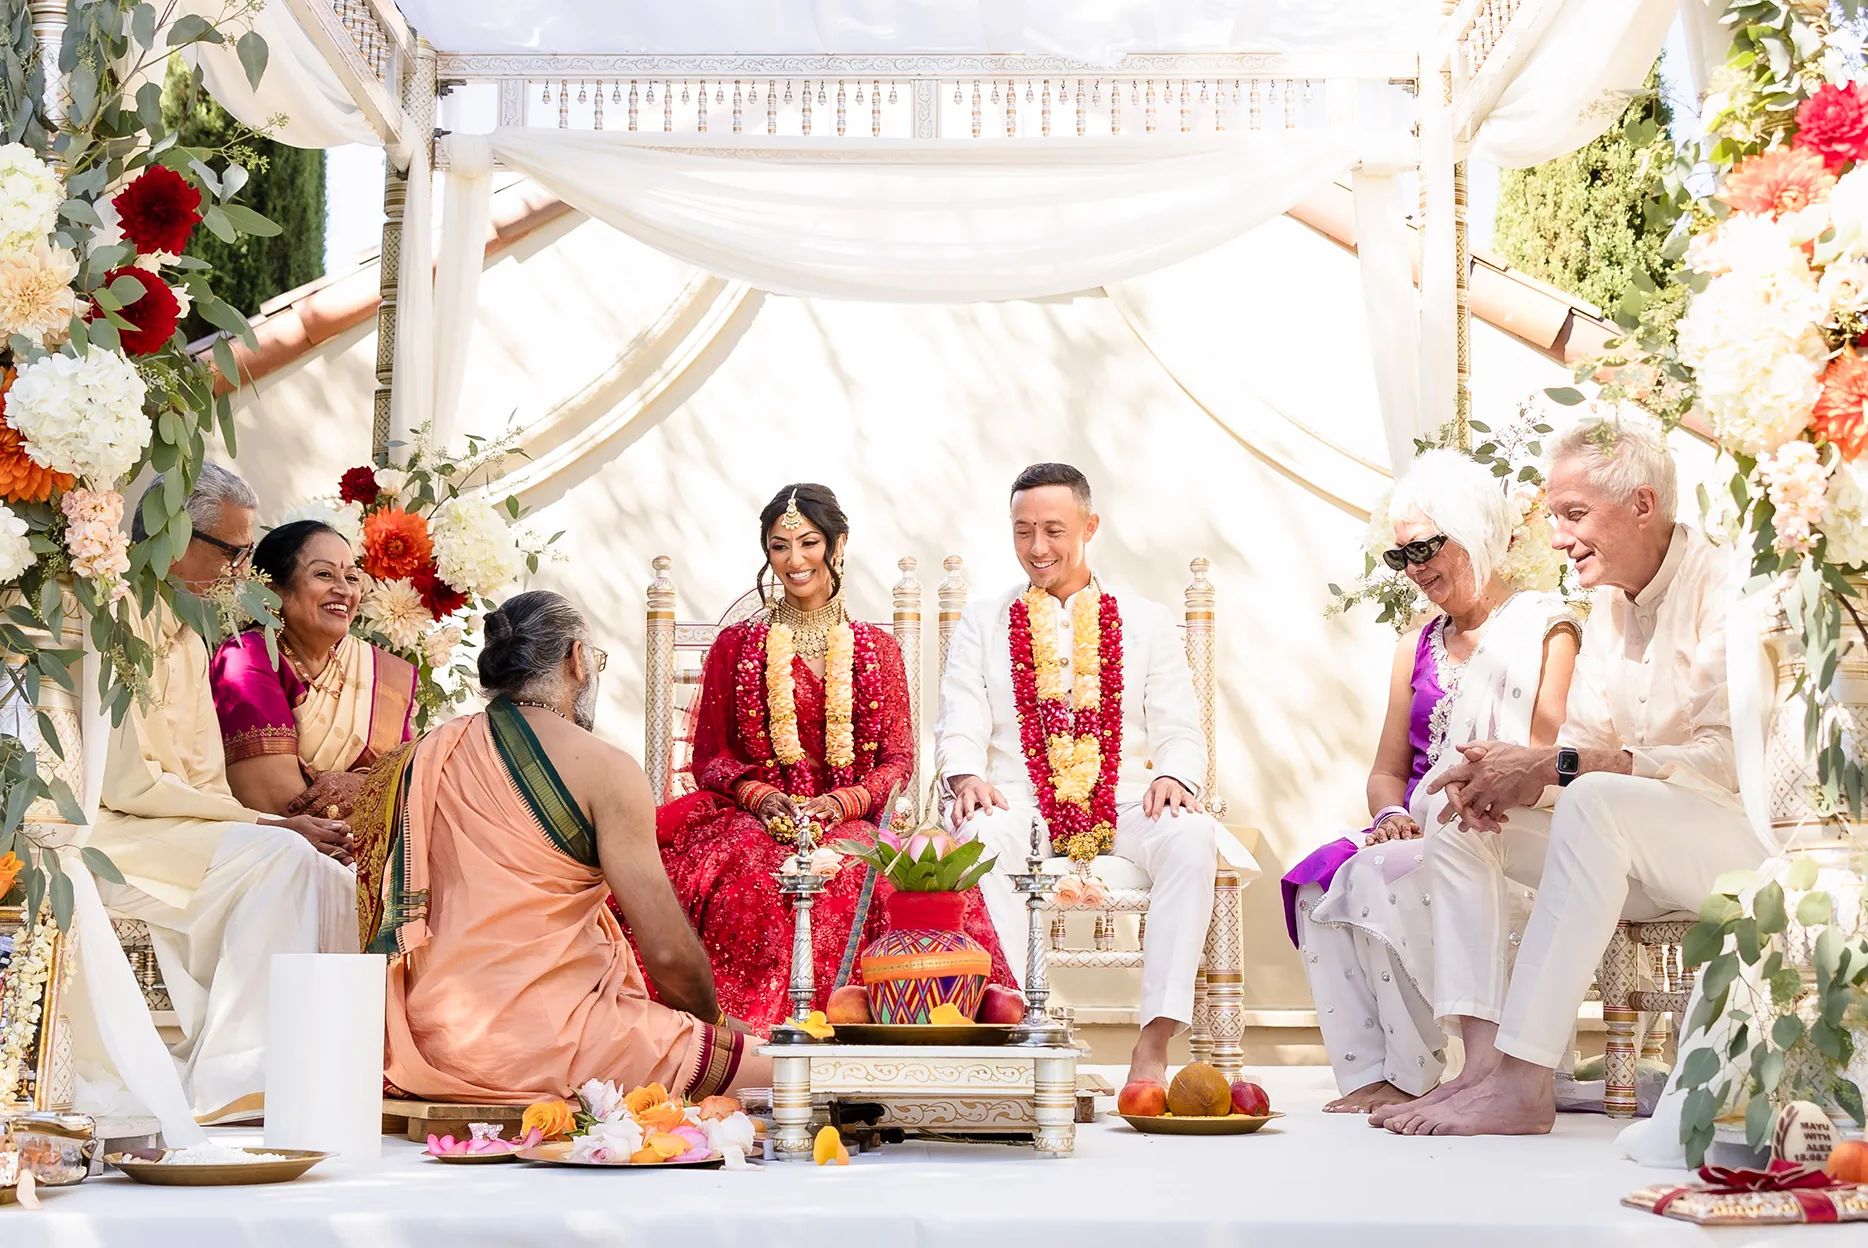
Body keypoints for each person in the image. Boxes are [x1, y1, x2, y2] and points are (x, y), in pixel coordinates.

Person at [1380, 415, 1764, 1136]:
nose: (1556, 537)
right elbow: (1584, 743)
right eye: (1555, 516)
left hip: (1736, 845)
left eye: (1573, 515)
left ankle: (1526, 1085)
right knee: (1455, 814)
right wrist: (1508, 778)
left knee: (1595, 801)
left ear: (1643, 506)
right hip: (1626, 850)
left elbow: (1723, 762)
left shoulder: (1729, 587)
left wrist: (1556, 767)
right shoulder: (1610, 607)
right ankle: (1483, 1067)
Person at [373, 590, 770, 1102]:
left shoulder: (428, 753)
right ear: (578, 660)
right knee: (794, 1076)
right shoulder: (604, 768)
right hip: (550, 1042)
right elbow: (669, 954)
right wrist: (715, 1022)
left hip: (430, 1041)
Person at [935, 462, 1259, 1087]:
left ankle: (1154, 1042)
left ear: (1090, 526)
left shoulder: (1145, 620)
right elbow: (960, 719)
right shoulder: (981, 620)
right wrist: (963, 778)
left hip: (1126, 797)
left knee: (1192, 836)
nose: (1037, 548)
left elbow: (1180, 730)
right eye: (1022, 530)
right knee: (975, 844)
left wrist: (1177, 777)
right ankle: (1032, 1028)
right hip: (1018, 800)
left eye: (1054, 530)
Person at [653, 485, 1013, 1034]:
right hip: (753, 819)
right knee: (754, 878)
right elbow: (710, 759)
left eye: (809, 542)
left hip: (849, 822)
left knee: (871, 877)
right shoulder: (737, 645)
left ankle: (867, 1041)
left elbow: (897, 760)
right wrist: (761, 795)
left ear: (838, 545)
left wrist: (837, 804)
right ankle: (749, 1044)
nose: (794, 560)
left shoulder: (877, 648)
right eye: (779, 546)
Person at [1282, 451, 1578, 1114]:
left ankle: (1425, 1074)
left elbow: (1542, 753)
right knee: (1314, 879)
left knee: (1372, 879)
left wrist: (1466, 798)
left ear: (1471, 529)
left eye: (1424, 548)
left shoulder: (1545, 628)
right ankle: (1374, 1074)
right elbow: (1387, 771)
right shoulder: (1414, 646)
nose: (1415, 569)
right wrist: (1389, 814)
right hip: (1417, 827)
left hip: (1504, 825)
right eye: (1402, 556)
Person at [90, 464, 356, 1124]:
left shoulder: (184, 631)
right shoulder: (112, 613)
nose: (243, 570)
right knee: (287, 859)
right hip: (112, 833)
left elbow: (203, 780)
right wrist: (267, 825)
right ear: (176, 533)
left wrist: (262, 823)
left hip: (175, 828)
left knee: (333, 875)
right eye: (233, 552)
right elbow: (130, 781)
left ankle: (319, 1070)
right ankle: (239, 1077)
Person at [209, 520, 418, 821]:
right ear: (272, 589)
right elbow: (282, 805)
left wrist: (360, 787)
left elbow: (411, 789)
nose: (345, 590)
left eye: (352, 577)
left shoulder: (373, 671)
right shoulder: (247, 657)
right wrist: (377, 795)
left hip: (369, 854)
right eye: (324, 574)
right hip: (287, 853)